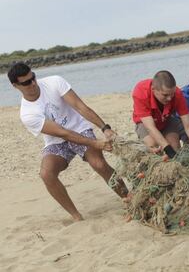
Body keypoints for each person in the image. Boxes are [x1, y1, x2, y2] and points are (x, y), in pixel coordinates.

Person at [7, 62, 129, 221]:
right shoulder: (28, 114)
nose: (33, 83)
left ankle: (129, 199)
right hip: (57, 141)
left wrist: (105, 128)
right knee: (46, 174)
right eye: (26, 82)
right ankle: (76, 216)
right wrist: (95, 143)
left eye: (33, 78)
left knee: (98, 164)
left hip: (80, 129)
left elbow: (80, 107)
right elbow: (63, 133)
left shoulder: (54, 82)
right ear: (16, 86)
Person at [132, 70, 189, 158]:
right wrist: (167, 149)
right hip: (145, 122)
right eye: (165, 95)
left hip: (166, 119)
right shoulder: (140, 91)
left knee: (174, 147)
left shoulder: (177, 94)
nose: (169, 98)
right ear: (153, 89)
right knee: (154, 147)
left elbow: (188, 125)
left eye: (172, 94)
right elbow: (150, 127)